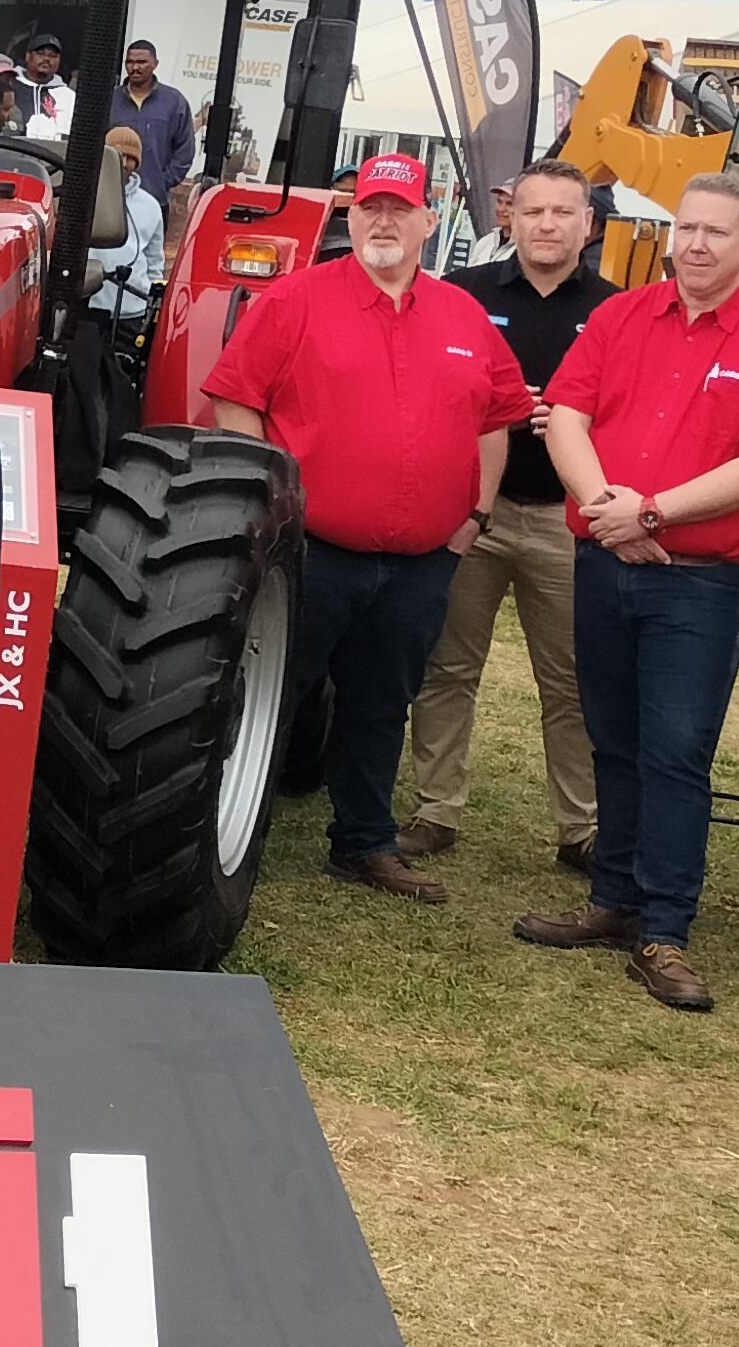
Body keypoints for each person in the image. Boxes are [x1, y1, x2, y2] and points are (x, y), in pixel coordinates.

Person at [514, 176, 739, 1009]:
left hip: (698, 584)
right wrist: (607, 513)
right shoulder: (620, 318)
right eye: (686, 228)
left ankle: (665, 929)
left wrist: (650, 510)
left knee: (676, 755)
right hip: (605, 567)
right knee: (611, 739)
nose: (695, 245)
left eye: (716, 233)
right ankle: (612, 900)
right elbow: (568, 416)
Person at [203, 150, 529, 903]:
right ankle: (215, 818)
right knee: (269, 692)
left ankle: (363, 842)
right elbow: (234, 398)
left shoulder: (464, 316)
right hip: (313, 552)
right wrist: (274, 504)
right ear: (351, 218)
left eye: (399, 209)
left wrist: (475, 516)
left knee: (383, 702)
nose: (384, 221)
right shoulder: (296, 300)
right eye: (370, 208)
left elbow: (496, 419)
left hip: (421, 562)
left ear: (428, 220)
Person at [401, 161, 613, 869]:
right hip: (472, 516)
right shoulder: (458, 295)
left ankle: (581, 829)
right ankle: (435, 811)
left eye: (562, 212)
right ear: (509, 219)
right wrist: (497, 403)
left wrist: (576, 417)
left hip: (566, 519)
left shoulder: (619, 312)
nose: (547, 225)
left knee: (572, 681)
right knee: (448, 667)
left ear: (588, 223)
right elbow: (422, 391)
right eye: (533, 212)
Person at [86, 123, 165, 319]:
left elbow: (155, 259)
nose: (123, 163)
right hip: (88, 308)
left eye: (130, 158)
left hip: (132, 311)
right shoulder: (85, 198)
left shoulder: (151, 206)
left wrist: (151, 297)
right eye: (118, 155)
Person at [111, 39, 197, 200]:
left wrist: (162, 182)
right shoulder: (110, 100)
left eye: (142, 62)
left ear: (155, 64)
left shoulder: (174, 102)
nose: (135, 68)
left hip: (155, 199)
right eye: (130, 62)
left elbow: (185, 150)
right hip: (112, 198)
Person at [18, 30, 74, 139]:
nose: (47, 59)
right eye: (41, 53)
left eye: (53, 56)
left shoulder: (68, 96)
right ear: (28, 56)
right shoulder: (11, 86)